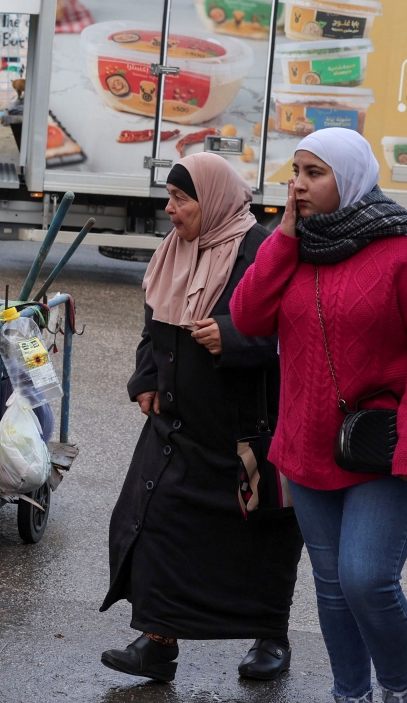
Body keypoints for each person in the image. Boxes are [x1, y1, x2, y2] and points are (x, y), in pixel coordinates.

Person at [230, 128, 407, 703]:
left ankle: (398, 691)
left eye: (315, 173)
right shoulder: (298, 245)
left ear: (350, 177)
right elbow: (248, 315)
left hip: (383, 446)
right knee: (331, 589)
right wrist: (282, 238)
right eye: (296, 172)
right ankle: (349, 695)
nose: (299, 186)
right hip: (306, 444)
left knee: (367, 579)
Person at [100, 153, 305, 683]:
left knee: (259, 536)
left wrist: (235, 339)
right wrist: (146, 377)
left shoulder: (262, 248)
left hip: (247, 430)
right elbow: (154, 322)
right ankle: (158, 640)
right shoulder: (174, 250)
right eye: (169, 197)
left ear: (211, 200)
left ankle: (270, 634)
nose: (169, 210)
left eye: (180, 199)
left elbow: (299, 329)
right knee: (155, 520)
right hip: (179, 423)